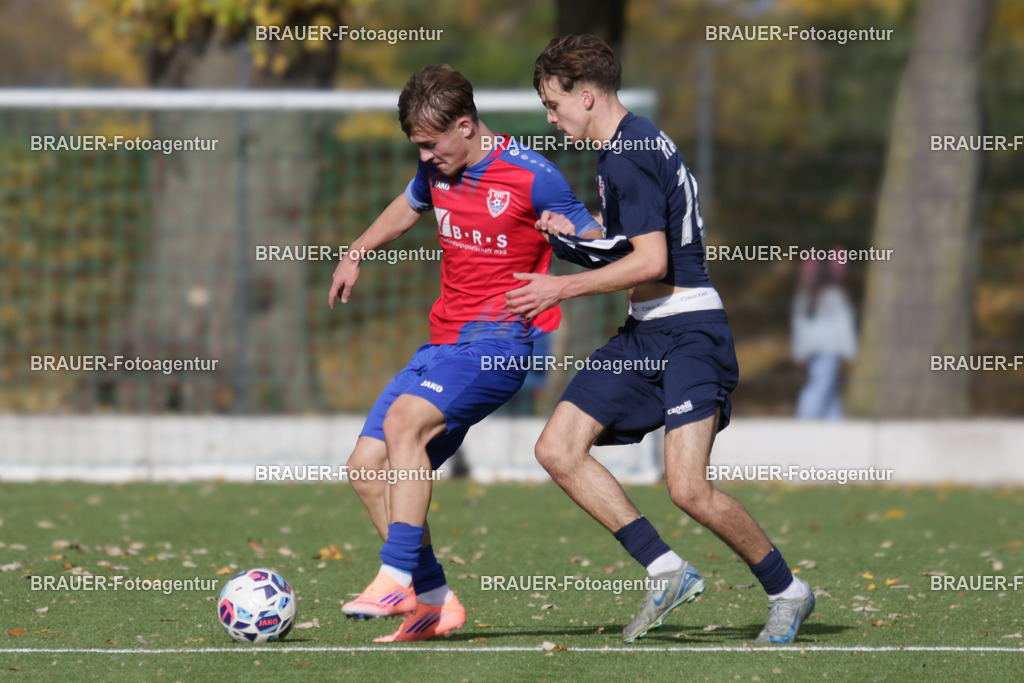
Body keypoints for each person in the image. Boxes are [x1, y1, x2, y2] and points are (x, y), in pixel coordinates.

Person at [507, 34, 814, 644]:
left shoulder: (626, 156)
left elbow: (651, 263)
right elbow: (636, 244)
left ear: (586, 96)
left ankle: (788, 591)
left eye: (554, 103)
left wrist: (559, 288)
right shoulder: (634, 140)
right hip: (645, 332)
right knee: (558, 448)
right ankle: (667, 569)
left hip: (689, 332)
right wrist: (577, 233)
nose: (551, 117)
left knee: (688, 488)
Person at [328, 63, 601, 642]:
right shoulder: (436, 170)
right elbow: (409, 206)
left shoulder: (534, 176)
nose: (425, 158)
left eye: (431, 145)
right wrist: (356, 250)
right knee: (364, 470)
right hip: (443, 342)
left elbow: (599, 237)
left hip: (498, 343)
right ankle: (434, 601)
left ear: (466, 125)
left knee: (405, 424)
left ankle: (395, 575)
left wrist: (574, 234)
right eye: (417, 147)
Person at [792, 255, 857, 419]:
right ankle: (805, 416)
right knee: (821, 385)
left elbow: (799, 325)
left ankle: (834, 420)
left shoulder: (806, 295)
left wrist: (799, 350)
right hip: (830, 348)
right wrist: (850, 350)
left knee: (830, 385)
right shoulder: (835, 295)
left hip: (813, 348)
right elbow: (843, 324)